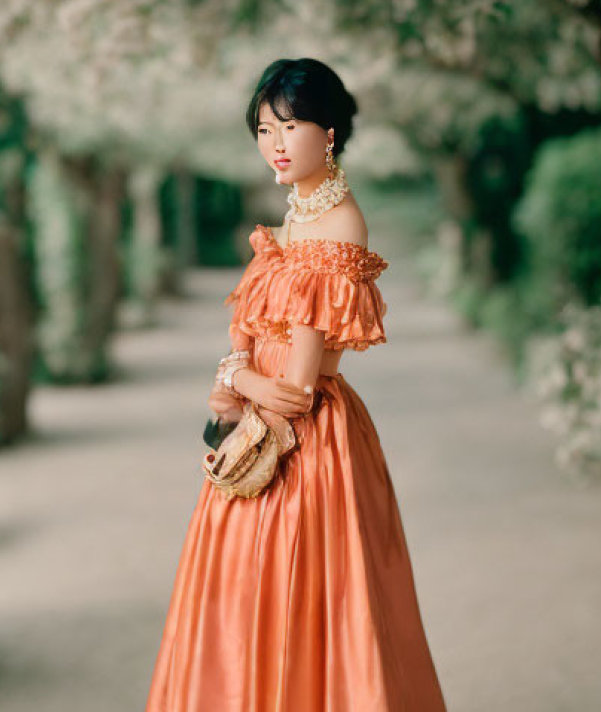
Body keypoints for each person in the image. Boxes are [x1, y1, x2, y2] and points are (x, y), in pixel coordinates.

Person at [145, 58, 448, 711]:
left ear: (329, 132)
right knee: (240, 605)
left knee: (307, 603)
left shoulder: (338, 227)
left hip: (307, 450)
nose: (274, 145)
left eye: (290, 126)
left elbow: (296, 393)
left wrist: (236, 374)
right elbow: (254, 338)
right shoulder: (295, 219)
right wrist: (236, 376)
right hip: (260, 434)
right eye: (262, 129)